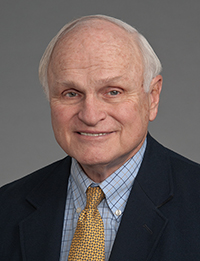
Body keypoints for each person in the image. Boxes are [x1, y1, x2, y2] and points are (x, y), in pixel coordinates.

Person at [0, 14, 200, 261]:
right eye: (71, 93)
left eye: (113, 92)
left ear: (152, 97)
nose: (91, 115)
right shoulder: (6, 209)